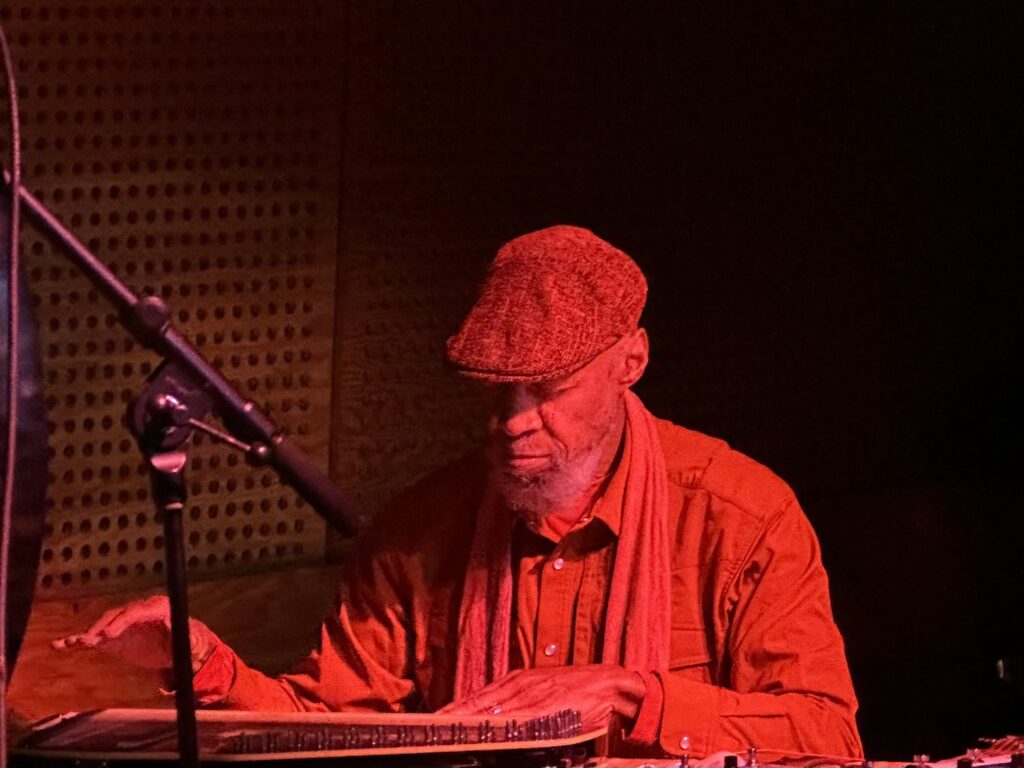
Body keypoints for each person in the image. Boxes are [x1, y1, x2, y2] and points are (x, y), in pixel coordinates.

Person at [56, 225, 862, 761]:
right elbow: (327, 728)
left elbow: (830, 740)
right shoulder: (420, 529)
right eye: (495, 394)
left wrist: (631, 694)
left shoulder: (741, 515)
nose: (513, 423)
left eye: (546, 389)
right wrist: (210, 669)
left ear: (633, 360)